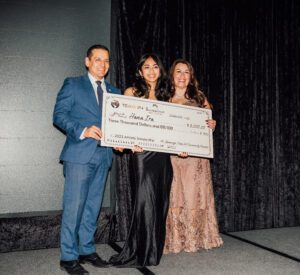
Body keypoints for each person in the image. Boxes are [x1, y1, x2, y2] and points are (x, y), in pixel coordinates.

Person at [53, 44, 121, 275]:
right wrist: (83, 130)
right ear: (87, 61)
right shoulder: (73, 84)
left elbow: (121, 125)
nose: (103, 64)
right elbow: (59, 116)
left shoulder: (115, 92)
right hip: (79, 156)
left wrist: (121, 140)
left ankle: (86, 249)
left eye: (107, 60)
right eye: (98, 59)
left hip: (103, 156)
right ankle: (68, 257)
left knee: (92, 208)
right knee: (74, 208)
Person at [109, 53, 173, 267]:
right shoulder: (132, 92)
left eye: (155, 66)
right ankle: (140, 251)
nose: (152, 71)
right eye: (147, 67)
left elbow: (175, 127)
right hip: (143, 155)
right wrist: (127, 142)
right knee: (145, 202)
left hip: (163, 155)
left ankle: (153, 252)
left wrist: (183, 145)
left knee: (161, 202)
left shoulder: (166, 94)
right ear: (140, 71)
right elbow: (124, 124)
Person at [164, 59, 223, 254]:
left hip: (196, 159)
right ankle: (177, 239)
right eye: (178, 72)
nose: (182, 76)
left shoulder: (199, 97)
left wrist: (211, 126)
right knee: (177, 195)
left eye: (186, 72)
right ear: (172, 75)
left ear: (191, 77)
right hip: (173, 157)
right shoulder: (164, 98)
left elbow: (208, 123)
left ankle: (199, 237)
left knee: (195, 195)